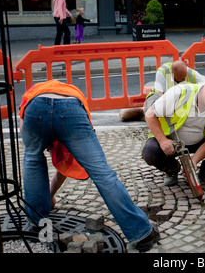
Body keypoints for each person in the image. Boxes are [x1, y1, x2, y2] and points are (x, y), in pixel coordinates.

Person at [19, 79, 159, 251]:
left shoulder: (30, 94)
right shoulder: (71, 93)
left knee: (32, 159)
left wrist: (48, 196)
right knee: (102, 173)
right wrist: (50, 194)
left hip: (35, 107)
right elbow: (68, 163)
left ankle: (37, 221)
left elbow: (25, 132)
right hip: (70, 108)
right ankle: (142, 234)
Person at [142, 73, 205, 186]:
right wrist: (162, 140)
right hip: (172, 143)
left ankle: (204, 172)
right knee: (149, 152)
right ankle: (173, 170)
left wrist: (194, 160)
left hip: (198, 142)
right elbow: (150, 115)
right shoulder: (179, 93)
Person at [119, 60, 205, 121]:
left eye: (185, 77)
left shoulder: (191, 73)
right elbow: (162, 97)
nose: (183, 79)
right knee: (153, 115)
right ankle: (143, 110)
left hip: (181, 99)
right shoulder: (163, 72)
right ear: (173, 74)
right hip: (159, 96)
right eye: (180, 78)